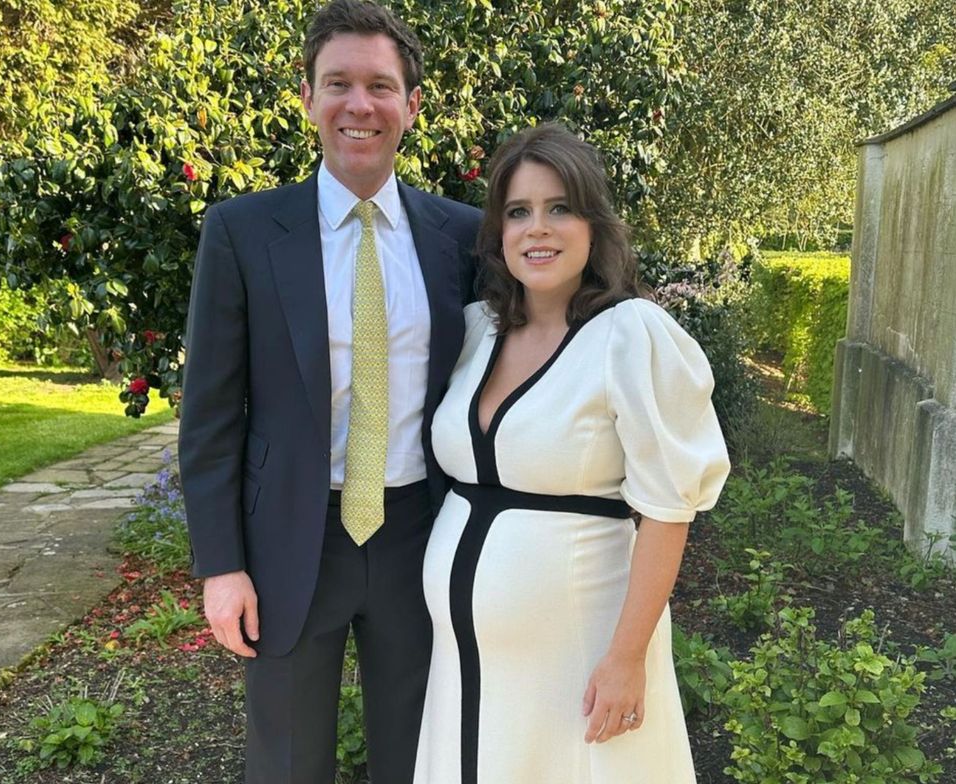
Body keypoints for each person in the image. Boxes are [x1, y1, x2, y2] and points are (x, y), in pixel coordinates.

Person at [177, 1, 480, 782]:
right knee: (286, 763)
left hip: (422, 532)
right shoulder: (241, 232)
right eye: (337, 82)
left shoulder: (463, 237)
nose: (359, 105)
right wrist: (220, 566)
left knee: (419, 756)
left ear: (412, 105)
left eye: (380, 85)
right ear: (308, 97)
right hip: (289, 538)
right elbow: (210, 416)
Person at [412, 123, 731, 784]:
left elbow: (670, 510)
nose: (538, 229)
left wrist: (626, 658)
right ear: (499, 232)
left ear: (594, 225)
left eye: (560, 208)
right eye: (519, 212)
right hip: (467, 666)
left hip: (581, 660)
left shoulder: (629, 335)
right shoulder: (476, 331)